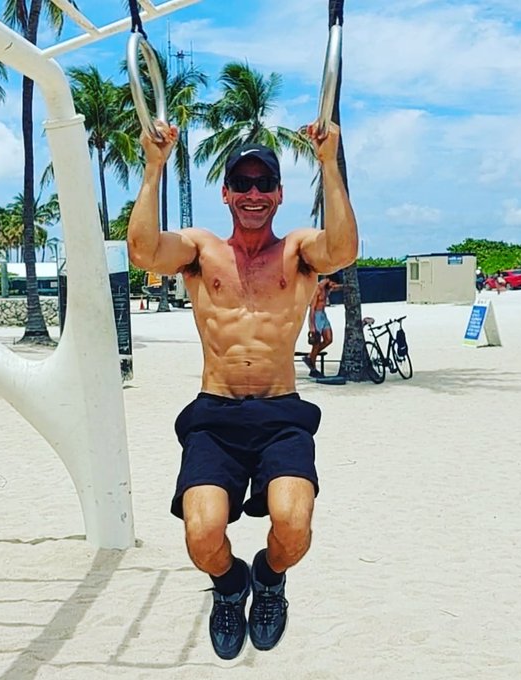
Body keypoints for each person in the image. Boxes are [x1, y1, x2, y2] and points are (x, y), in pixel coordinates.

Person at [127, 119, 358, 660]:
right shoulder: (201, 251)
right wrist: (154, 164)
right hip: (216, 412)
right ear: (227, 193)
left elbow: (343, 249)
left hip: (280, 412)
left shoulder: (298, 251)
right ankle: (231, 586)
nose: (253, 195)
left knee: (293, 525)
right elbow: (141, 251)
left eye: (264, 185)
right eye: (243, 184)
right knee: (201, 536)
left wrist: (328, 161)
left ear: (278, 195)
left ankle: (268, 578)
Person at [303, 275, 342, 378]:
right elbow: (312, 309)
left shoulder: (327, 288)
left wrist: (347, 286)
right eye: (332, 283)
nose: (333, 286)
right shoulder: (317, 289)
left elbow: (336, 287)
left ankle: (309, 357)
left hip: (323, 315)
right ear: (328, 280)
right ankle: (313, 369)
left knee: (329, 339)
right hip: (316, 316)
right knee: (316, 343)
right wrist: (312, 326)